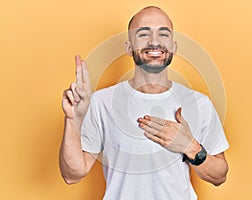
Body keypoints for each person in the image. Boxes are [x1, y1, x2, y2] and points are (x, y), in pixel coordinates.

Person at [59, 6, 229, 200]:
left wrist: (190, 146)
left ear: (174, 46)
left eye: (163, 34)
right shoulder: (101, 102)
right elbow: (72, 175)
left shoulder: (199, 104)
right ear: (128, 47)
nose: (154, 42)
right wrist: (72, 119)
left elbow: (220, 176)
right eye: (143, 34)